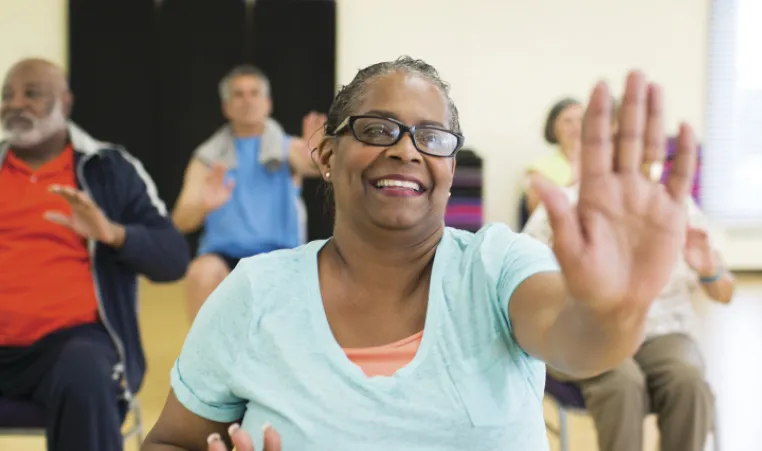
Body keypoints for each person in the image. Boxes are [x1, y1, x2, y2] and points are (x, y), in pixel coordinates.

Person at [142, 56, 699, 451]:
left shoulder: (498, 266)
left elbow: (580, 347)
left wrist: (615, 306)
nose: (407, 149)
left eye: (432, 137)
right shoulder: (254, 292)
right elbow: (170, 440)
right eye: (379, 128)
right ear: (328, 155)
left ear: (450, 171)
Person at [0, 58, 189, 450]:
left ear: (65, 103)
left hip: (70, 347)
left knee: (85, 372)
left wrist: (113, 233)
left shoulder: (110, 169)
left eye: (31, 93)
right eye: (7, 95)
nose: (15, 103)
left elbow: (173, 259)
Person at [523, 162, 733, 451]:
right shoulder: (562, 208)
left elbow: (724, 292)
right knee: (622, 383)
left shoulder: (678, 208)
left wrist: (710, 269)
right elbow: (526, 294)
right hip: (583, 335)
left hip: (662, 333)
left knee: (688, 383)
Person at [171, 64, 324, 321]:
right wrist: (204, 206)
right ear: (226, 107)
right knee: (201, 272)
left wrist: (322, 158)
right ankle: (205, 360)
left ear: (268, 103)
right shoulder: (206, 159)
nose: (247, 100)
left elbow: (314, 166)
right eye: (238, 94)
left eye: (254, 93)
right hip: (224, 258)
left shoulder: (288, 148)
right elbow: (180, 222)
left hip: (281, 257)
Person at [522, 97, 583, 216]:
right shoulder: (539, 168)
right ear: (553, 129)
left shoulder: (606, 163)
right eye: (567, 121)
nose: (576, 127)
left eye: (581, 120)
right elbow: (537, 212)